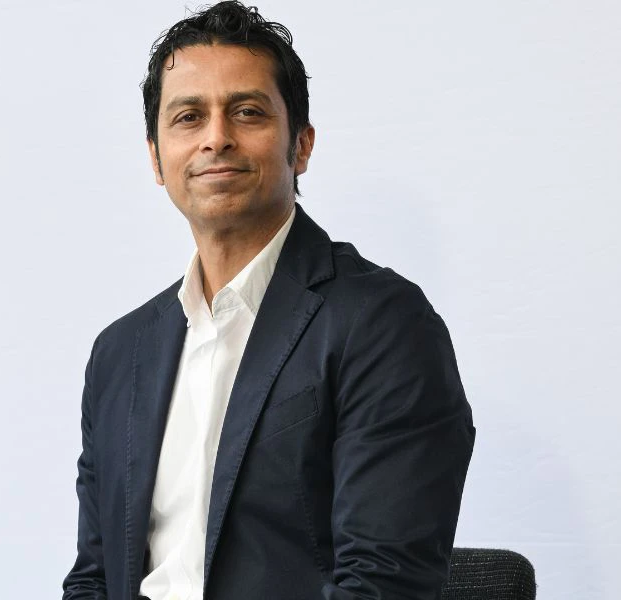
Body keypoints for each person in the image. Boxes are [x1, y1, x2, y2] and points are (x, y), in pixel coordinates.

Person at [62, 2, 475, 598]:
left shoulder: (382, 325)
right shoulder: (118, 353)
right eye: (188, 117)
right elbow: (94, 577)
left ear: (301, 145)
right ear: (156, 157)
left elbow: (385, 584)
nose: (216, 138)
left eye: (248, 112)